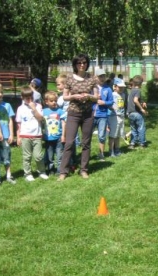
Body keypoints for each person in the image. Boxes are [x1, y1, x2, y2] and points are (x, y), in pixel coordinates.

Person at [58, 53, 99, 181]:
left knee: (86, 143)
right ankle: (63, 172)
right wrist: (74, 96)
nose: (82, 65)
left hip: (87, 114)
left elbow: (96, 97)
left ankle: (84, 170)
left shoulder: (92, 79)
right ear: (75, 64)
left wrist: (89, 96)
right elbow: (65, 96)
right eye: (79, 63)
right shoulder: (69, 79)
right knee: (69, 142)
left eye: (84, 63)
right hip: (73, 113)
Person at [16, 86, 48, 182]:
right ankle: (28, 173)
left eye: (31, 97)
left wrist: (34, 109)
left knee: (38, 156)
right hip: (25, 135)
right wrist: (18, 137)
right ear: (22, 98)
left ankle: (41, 171)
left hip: (37, 135)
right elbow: (19, 124)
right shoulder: (20, 109)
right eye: (27, 98)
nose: (29, 99)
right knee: (27, 156)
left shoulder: (38, 106)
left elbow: (40, 119)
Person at [0, 83, 17, 184]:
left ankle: (8, 174)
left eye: (1, 92)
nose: (0, 95)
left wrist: (11, 134)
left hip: (6, 134)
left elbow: (10, 120)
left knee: (6, 154)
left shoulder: (7, 105)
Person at [93, 68, 113, 161]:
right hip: (91, 115)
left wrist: (104, 102)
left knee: (102, 135)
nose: (102, 78)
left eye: (103, 76)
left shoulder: (108, 89)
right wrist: (94, 98)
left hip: (103, 115)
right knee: (87, 135)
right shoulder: (91, 88)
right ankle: (86, 155)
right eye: (100, 76)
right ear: (95, 77)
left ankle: (101, 154)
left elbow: (111, 102)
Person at [43, 91, 65, 175]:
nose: (54, 103)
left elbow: (63, 123)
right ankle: (50, 169)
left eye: (55, 101)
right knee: (49, 155)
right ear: (46, 102)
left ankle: (60, 170)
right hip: (48, 137)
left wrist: (63, 135)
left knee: (60, 155)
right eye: (51, 101)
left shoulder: (60, 111)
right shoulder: (43, 111)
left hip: (58, 137)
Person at [126, 75, 148, 149]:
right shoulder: (138, 91)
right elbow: (135, 100)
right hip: (137, 113)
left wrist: (142, 102)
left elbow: (134, 100)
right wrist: (141, 109)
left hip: (130, 113)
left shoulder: (131, 90)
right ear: (140, 84)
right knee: (141, 128)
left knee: (133, 129)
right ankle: (142, 143)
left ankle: (132, 143)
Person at [108, 78, 127, 157]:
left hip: (121, 116)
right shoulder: (112, 95)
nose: (122, 88)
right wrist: (112, 108)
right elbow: (109, 104)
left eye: (123, 87)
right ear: (115, 87)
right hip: (114, 117)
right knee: (113, 135)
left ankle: (117, 149)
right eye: (120, 87)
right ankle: (111, 151)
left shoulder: (123, 95)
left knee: (118, 134)